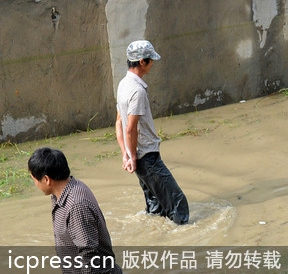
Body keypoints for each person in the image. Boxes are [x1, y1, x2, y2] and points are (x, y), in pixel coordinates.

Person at [115, 39, 189, 225]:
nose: (153, 64)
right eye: (151, 60)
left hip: (138, 159)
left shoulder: (123, 84)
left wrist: (126, 155)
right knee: (178, 204)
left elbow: (118, 124)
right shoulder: (137, 90)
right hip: (147, 157)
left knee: (155, 207)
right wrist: (132, 156)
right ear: (142, 62)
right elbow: (130, 129)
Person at [28, 147, 123, 274]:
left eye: (34, 180)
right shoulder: (65, 191)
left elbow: (89, 257)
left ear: (46, 179)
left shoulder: (76, 206)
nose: (35, 184)